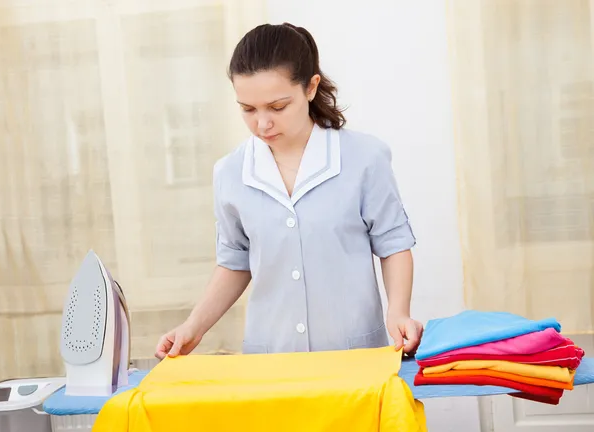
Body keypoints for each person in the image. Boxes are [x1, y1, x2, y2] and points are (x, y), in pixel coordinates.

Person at [155, 22, 423, 360]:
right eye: (248, 109)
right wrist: (192, 327)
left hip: (353, 356)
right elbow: (235, 261)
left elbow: (394, 243)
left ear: (310, 88)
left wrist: (398, 312)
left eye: (277, 107)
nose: (262, 124)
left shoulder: (364, 159)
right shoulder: (230, 173)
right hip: (271, 359)